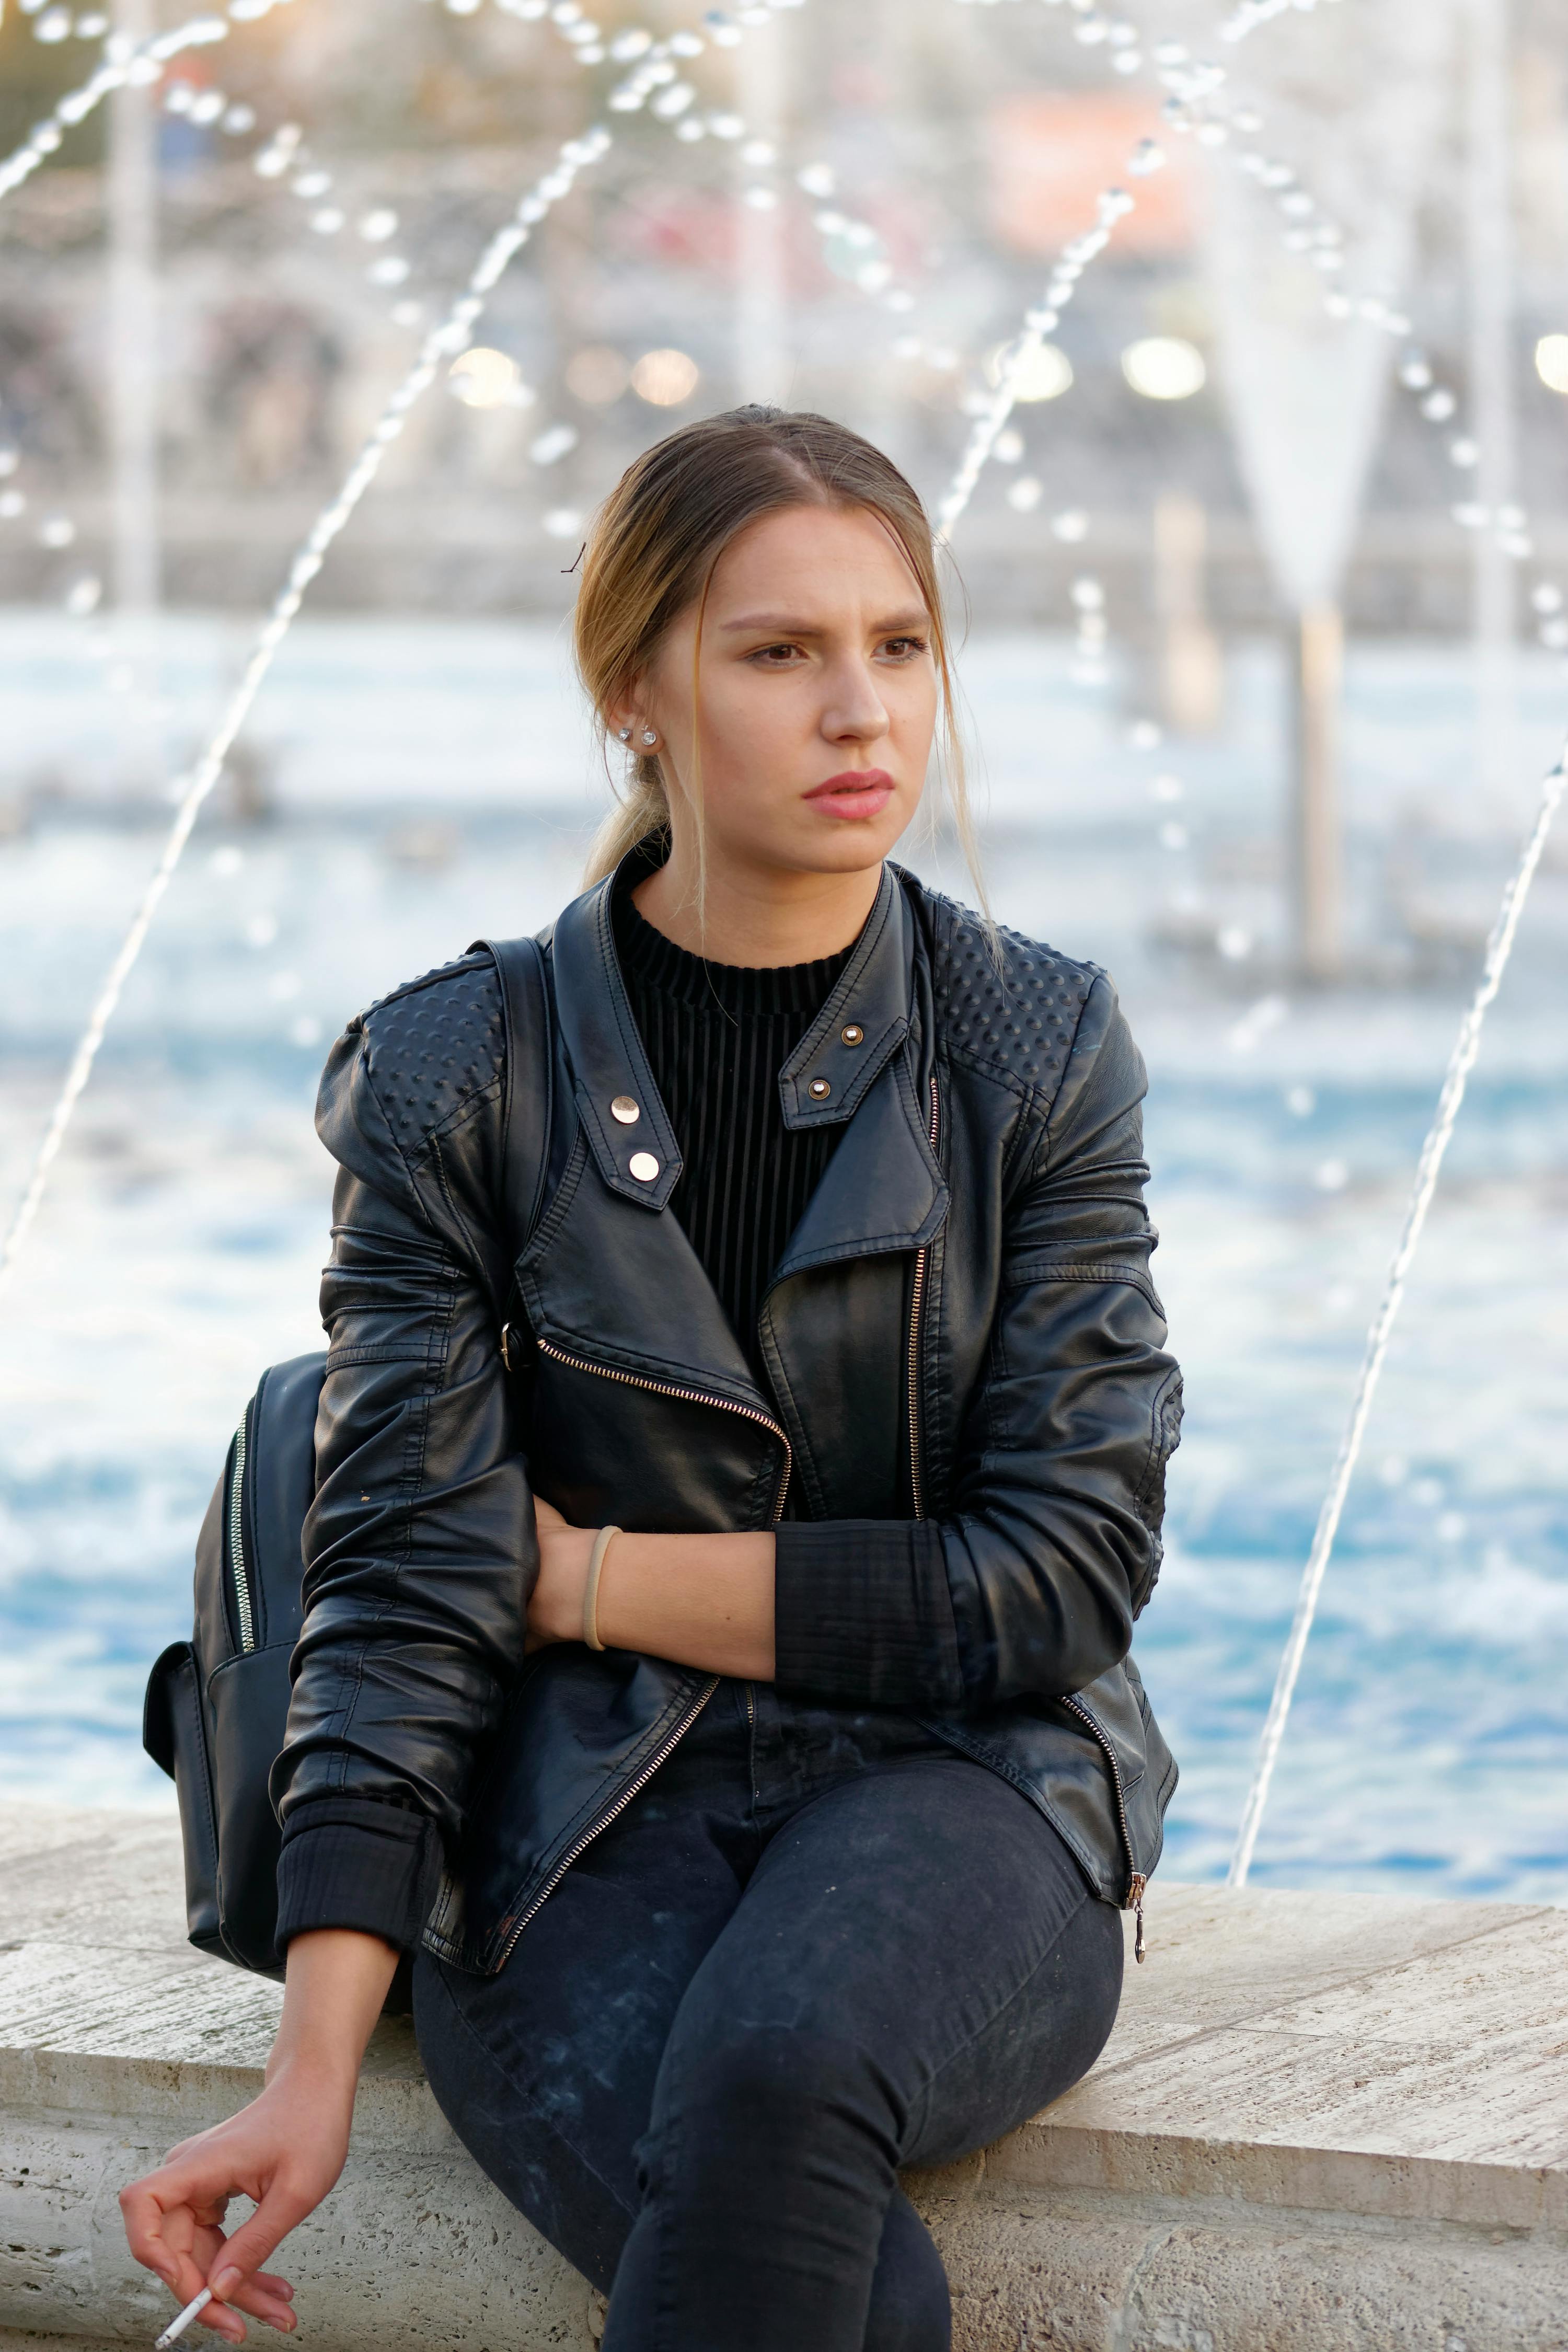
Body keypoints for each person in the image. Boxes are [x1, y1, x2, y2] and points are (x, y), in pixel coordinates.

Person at [120, 405, 1182, 2352]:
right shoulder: (459, 1071)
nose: (860, 710)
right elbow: (396, 1594)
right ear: (637, 692)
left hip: (977, 1785)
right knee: (853, 2293)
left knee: (785, 2072)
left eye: (900, 644)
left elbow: (1060, 1575)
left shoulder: (1036, 1043)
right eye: (779, 652)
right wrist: (313, 2057)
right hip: (582, 1817)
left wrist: (583, 1577)